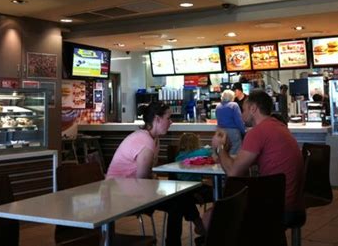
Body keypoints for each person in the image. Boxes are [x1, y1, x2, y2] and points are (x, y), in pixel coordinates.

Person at [106, 102, 204, 246]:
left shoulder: (149, 137)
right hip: (121, 196)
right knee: (179, 199)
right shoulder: (146, 141)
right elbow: (143, 180)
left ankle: (197, 228)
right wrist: (156, 182)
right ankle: (198, 228)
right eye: (168, 118)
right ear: (157, 119)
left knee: (179, 197)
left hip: (123, 190)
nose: (171, 122)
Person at [212, 89, 305, 224]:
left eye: (243, 110)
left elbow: (233, 173)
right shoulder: (278, 126)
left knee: (212, 216)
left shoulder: (257, 132)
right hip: (294, 202)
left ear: (253, 109)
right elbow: (244, 164)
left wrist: (219, 147)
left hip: (276, 206)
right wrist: (226, 151)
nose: (242, 115)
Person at [215, 89, 245, 154]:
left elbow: (218, 119)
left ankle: (224, 163)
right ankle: (232, 163)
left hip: (221, 131)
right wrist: (243, 130)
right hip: (233, 132)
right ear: (232, 97)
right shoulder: (234, 105)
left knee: (223, 150)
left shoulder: (218, 106)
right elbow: (238, 120)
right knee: (235, 149)